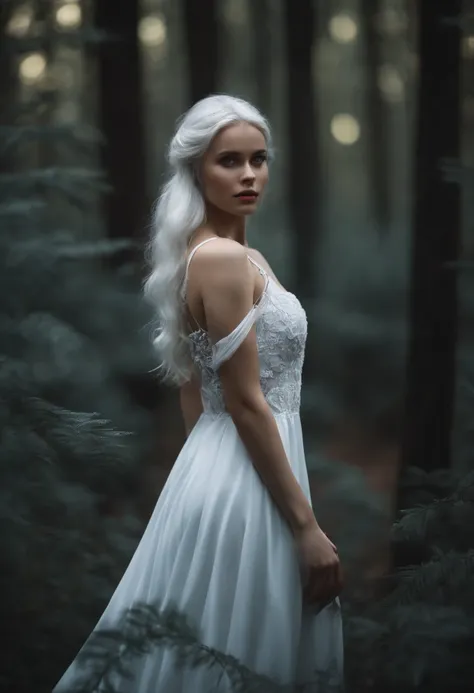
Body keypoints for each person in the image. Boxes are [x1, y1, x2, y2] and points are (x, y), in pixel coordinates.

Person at [53, 95, 343, 692]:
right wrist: (306, 526)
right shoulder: (221, 258)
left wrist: (203, 479)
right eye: (229, 161)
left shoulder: (234, 256)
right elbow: (241, 401)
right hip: (247, 471)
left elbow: (195, 390)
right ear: (196, 170)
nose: (248, 175)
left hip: (230, 468)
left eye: (258, 160)